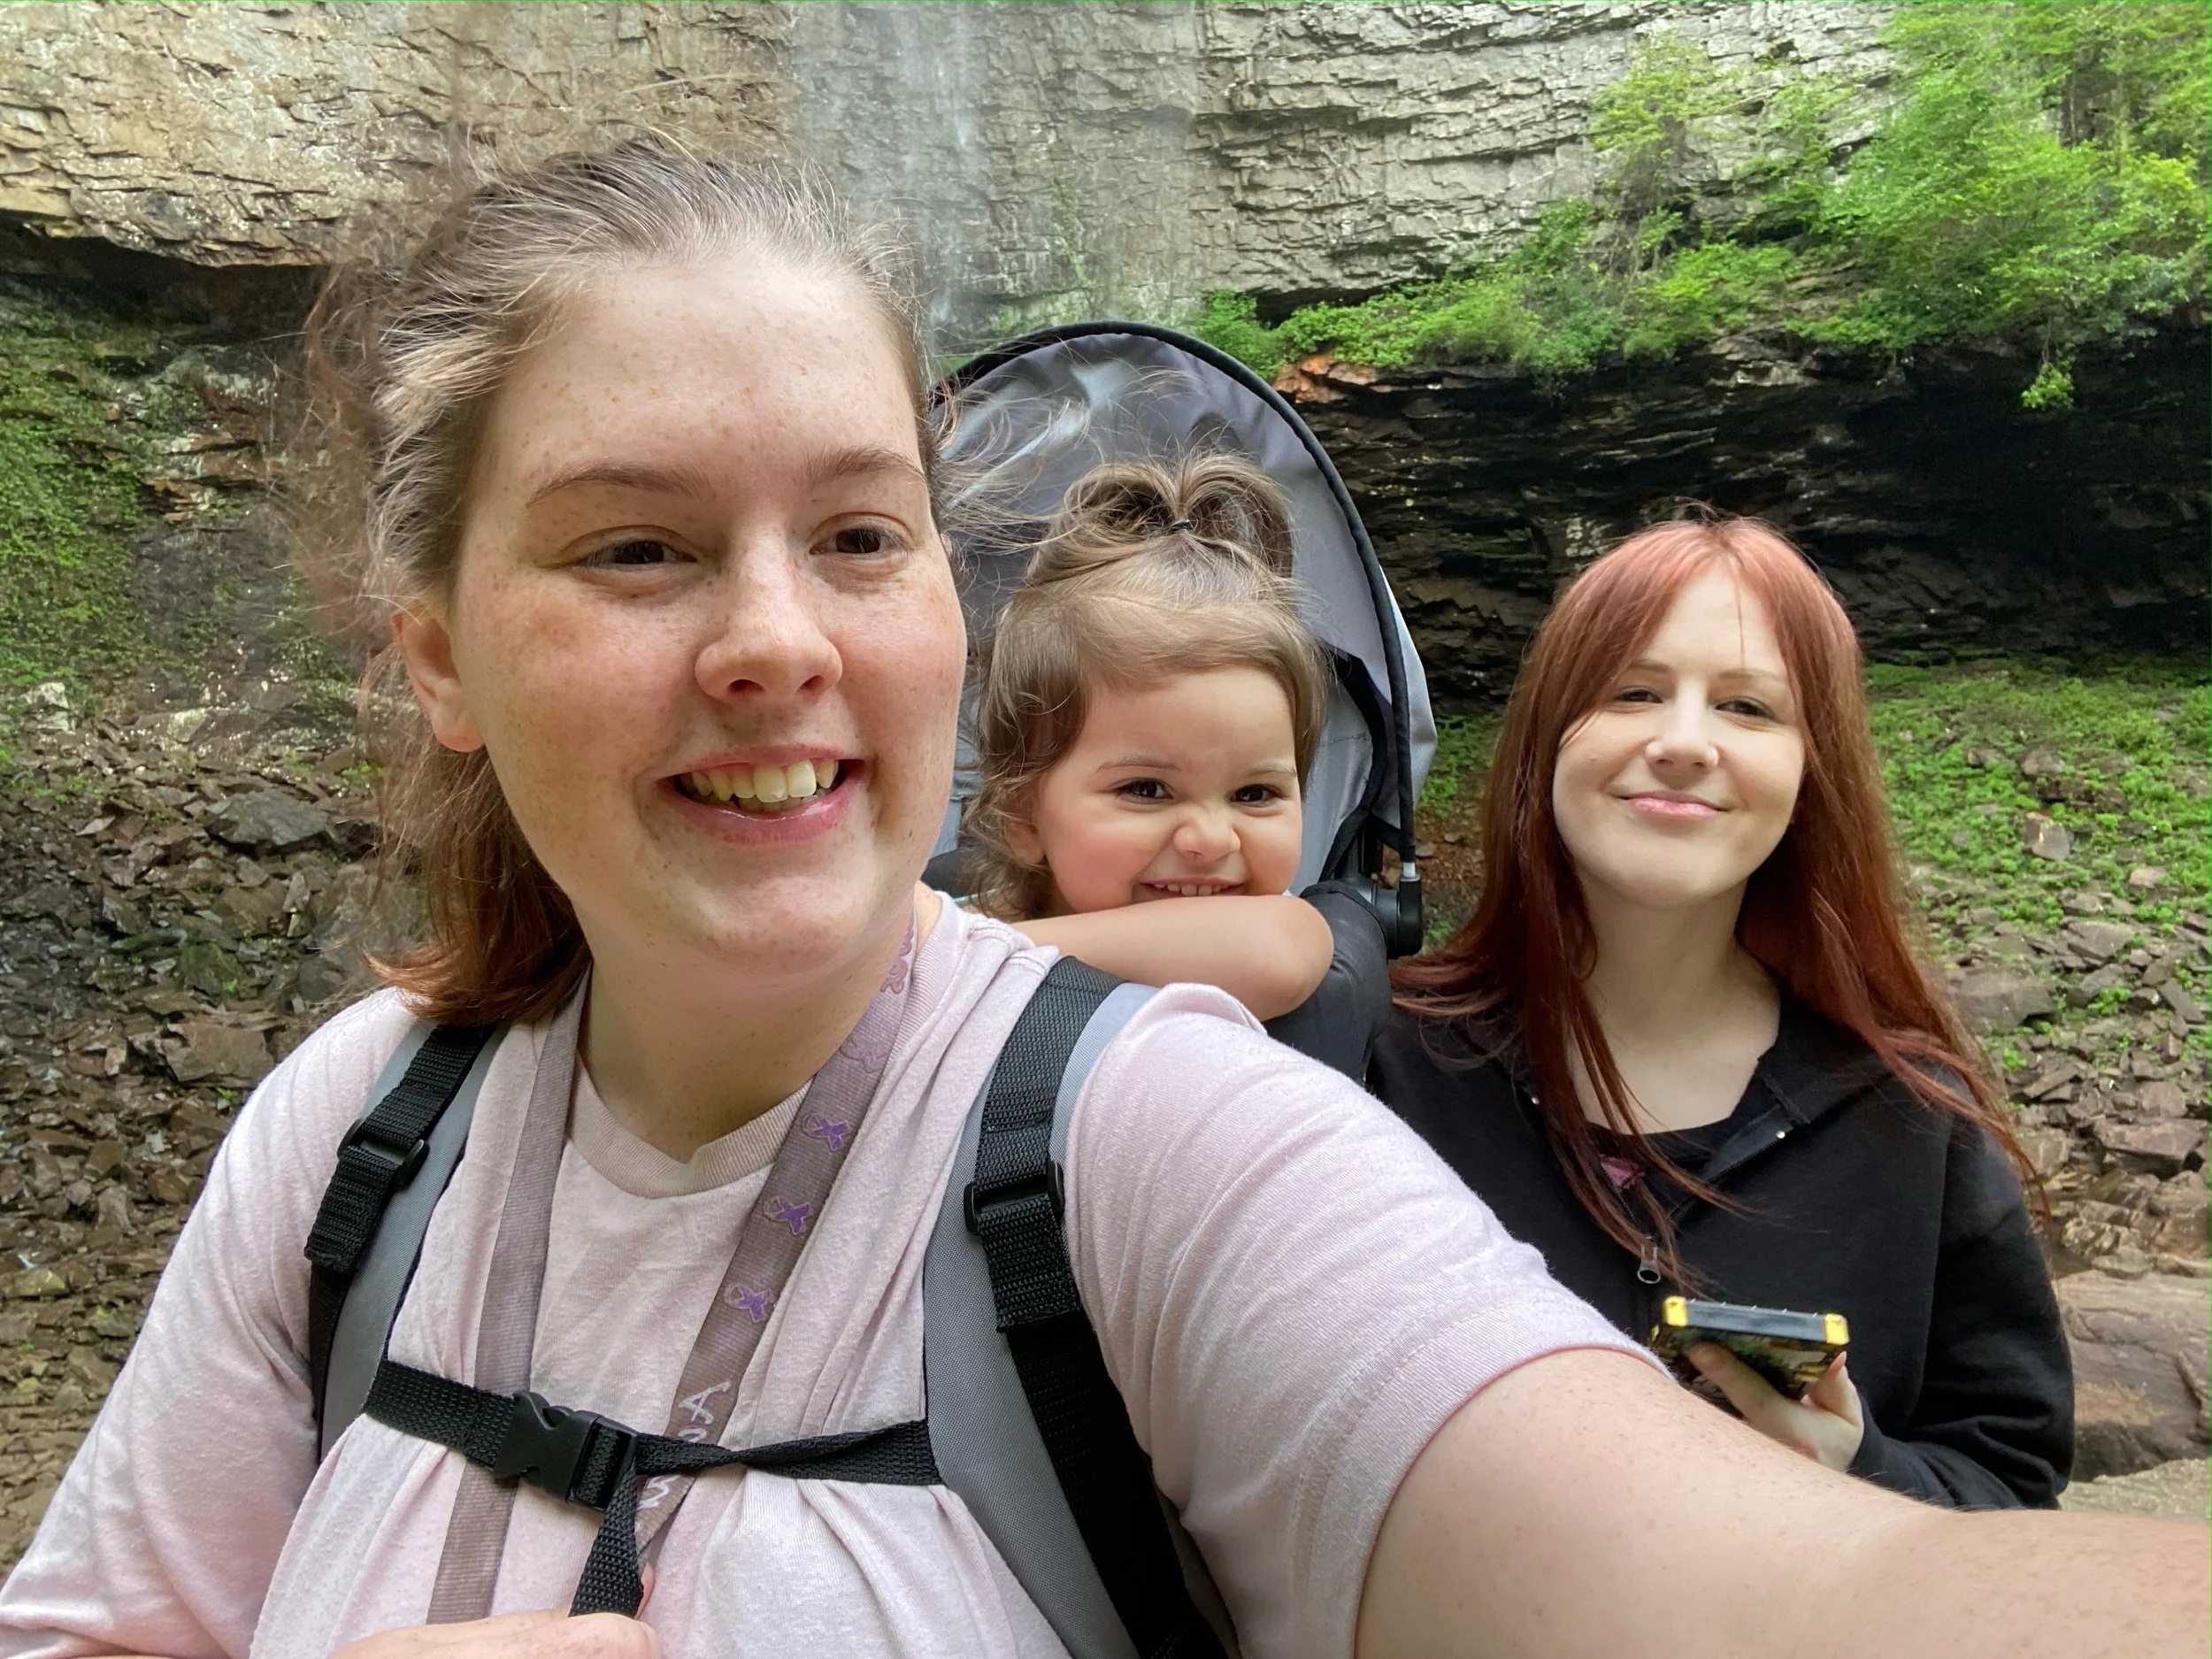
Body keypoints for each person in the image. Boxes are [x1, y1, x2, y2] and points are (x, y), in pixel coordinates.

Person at [0, 143, 2199, 1659]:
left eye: (860, 536)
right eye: (637, 544)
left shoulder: (1157, 1144)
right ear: (437, 656)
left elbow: (1788, 1600)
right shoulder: (353, 1130)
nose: (779, 633)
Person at [1374, 516, 2073, 1509]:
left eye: (1746, 706)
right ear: (1544, 741)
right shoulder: (1372, 1065)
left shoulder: (1910, 1116)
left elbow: (2007, 1489)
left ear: (1808, 773)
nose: (1682, 743)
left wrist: (1855, 1468)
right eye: (1632, 692)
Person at [958, 451, 1384, 1070]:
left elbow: (1281, 953)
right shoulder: (962, 923)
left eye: (1255, 793)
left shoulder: (955, 957)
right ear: (1022, 815)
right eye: (1148, 790)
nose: (1210, 839)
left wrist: (967, 965)